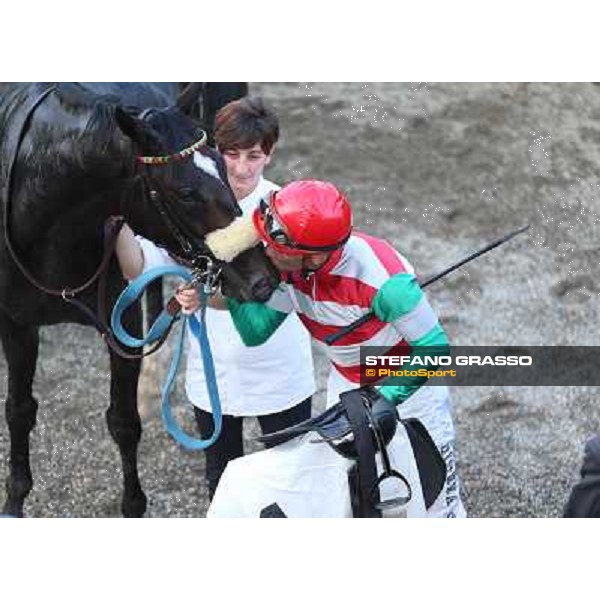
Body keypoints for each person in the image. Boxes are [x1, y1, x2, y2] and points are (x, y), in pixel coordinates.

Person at [178, 179, 466, 517]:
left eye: (273, 246)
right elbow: (255, 331)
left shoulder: (386, 283)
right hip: (346, 385)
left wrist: (385, 397)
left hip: (413, 389)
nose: (265, 251)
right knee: (348, 489)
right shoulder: (289, 271)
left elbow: (435, 349)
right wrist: (226, 289)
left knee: (431, 496)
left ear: (312, 256)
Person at [116, 97, 316, 499]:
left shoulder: (286, 209)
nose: (242, 168)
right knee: (223, 487)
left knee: (291, 485)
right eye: (231, 154)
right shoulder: (189, 205)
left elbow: (293, 298)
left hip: (280, 374)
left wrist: (208, 298)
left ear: (269, 154)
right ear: (213, 152)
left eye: (253, 155)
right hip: (215, 379)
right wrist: (113, 211)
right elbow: (136, 266)